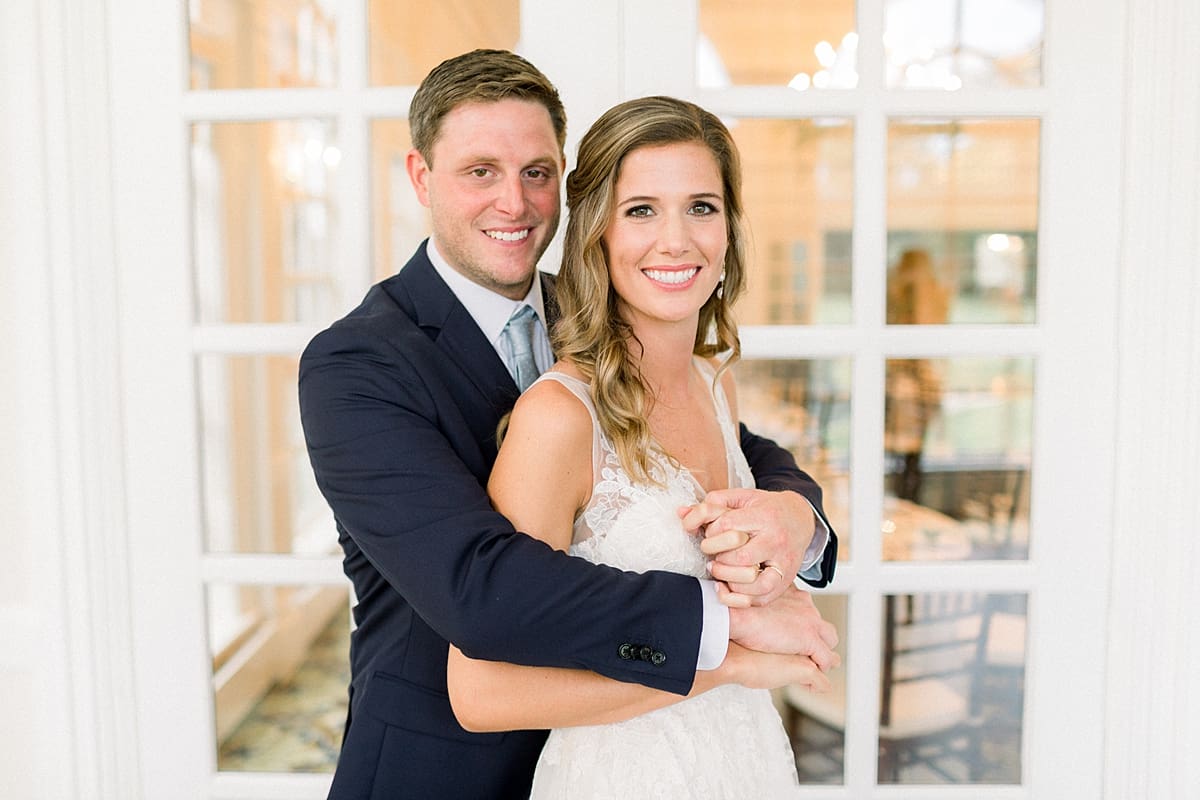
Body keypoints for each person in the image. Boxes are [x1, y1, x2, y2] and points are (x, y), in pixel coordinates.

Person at [299, 50, 838, 799]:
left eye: (537, 172)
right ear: (422, 177)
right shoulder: (357, 365)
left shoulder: (605, 308)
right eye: (480, 170)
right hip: (445, 767)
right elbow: (480, 588)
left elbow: (721, 450)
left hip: (639, 745)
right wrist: (731, 634)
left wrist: (795, 513)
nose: (514, 203)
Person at [445, 94, 821, 797]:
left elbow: (769, 515)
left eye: (701, 207)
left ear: (730, 230)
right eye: (642, 209)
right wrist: (731, 661)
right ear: (598, 233)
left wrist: (797, 523)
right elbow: (482, 693)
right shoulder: (559, 417)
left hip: (745, 762)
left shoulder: (716, 386)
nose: (676, 240)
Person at [884, 248, 949, 502]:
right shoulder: (907, 293)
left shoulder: (919, 293)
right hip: (907, 377)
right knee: (906, 453)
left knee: (910, 454)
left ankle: (906, 501)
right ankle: (903, 500)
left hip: (914, 379)